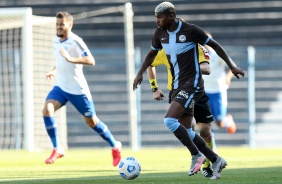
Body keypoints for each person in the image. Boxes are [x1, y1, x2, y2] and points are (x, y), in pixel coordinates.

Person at [133, 2, 245, 180]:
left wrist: (232, 67)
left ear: (170, 16)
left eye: (159, 17)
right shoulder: (159, 34)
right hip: (176, 86)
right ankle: (215, 159)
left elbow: (215, 46)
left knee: (170, 120)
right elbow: (151, 55)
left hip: (192, 84)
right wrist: (139, 74)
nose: (157, 21)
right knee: (187, 130)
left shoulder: (191, 31)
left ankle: (196, 155)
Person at [42, 12, 122, 166]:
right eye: (57, 24)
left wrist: (71, 59)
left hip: (78, 90)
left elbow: (91, 60)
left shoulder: (76, 41)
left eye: (62, 24)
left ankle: (114, 145)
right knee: (47, 109)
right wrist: (54, 70)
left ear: (70, 25)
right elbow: (60, 61)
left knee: (91, 122)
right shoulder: (55, 41)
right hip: (61, 87)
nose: (58, 27)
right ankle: (57, 148)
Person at [147, 44, 216, 178]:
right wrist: (154, 87)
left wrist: (188, 68)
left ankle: (209, 162)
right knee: (187, 129)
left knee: (205, 131)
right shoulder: (166, 49)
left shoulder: (197, 47)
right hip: (178, 93)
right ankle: (199, 157)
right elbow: (150, 63)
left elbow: (207, 68)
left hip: (197, 91)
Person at [203, 32, 236, 134]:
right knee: (204, 122)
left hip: (218, 91)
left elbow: (233, 67)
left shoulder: (217, 54)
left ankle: (228, 120)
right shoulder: (198, 55)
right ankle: (209, 145)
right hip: (204, 91)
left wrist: (228, 77)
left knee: (219, 122)